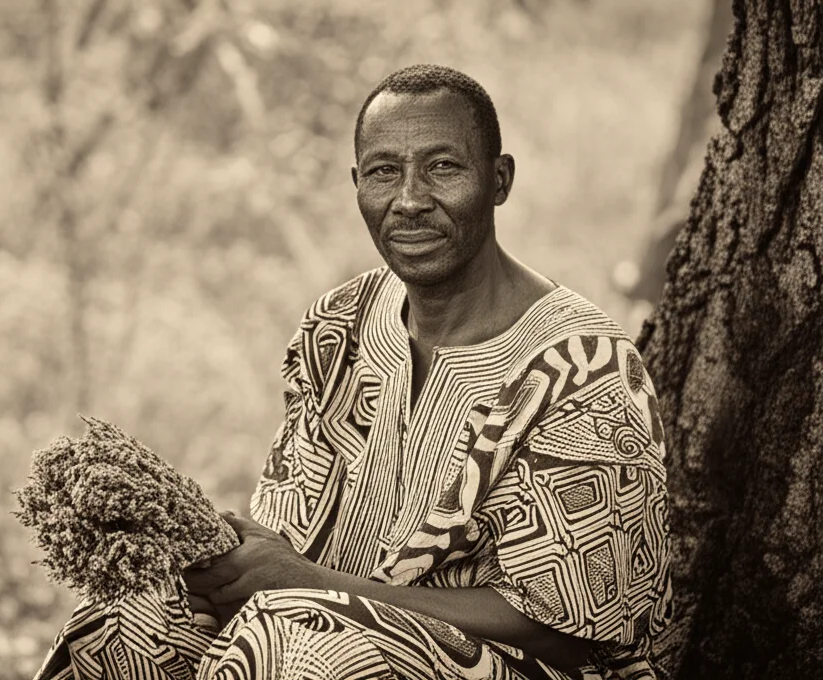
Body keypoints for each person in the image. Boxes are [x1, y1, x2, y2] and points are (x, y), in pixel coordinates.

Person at [33, 64, 671, 680]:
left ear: (499, 179)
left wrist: (316, 589)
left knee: (296, 651)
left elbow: (564, 625)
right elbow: (290, 531)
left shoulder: (584, 368)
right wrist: (223, 551)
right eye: (384, 172)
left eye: (443, 167)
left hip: (528, 667)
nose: (410, 200)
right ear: (356, 183)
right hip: (312, 620)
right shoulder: (340, 323)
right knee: (126, 629)